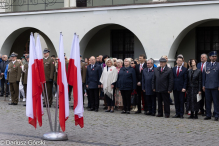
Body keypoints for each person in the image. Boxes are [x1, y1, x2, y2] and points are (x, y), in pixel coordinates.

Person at [203, 51, 219, 121]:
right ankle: (208, 114)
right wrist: (203, 85)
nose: (214, 57)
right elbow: (204, 76)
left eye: (215, 56)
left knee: (216, 102)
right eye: (212, 56)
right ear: (209, 57)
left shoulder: (218, 65)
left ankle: (216, 115)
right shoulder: (206, 65)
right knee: (207, 101)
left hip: (215, 86)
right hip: (207, 86)